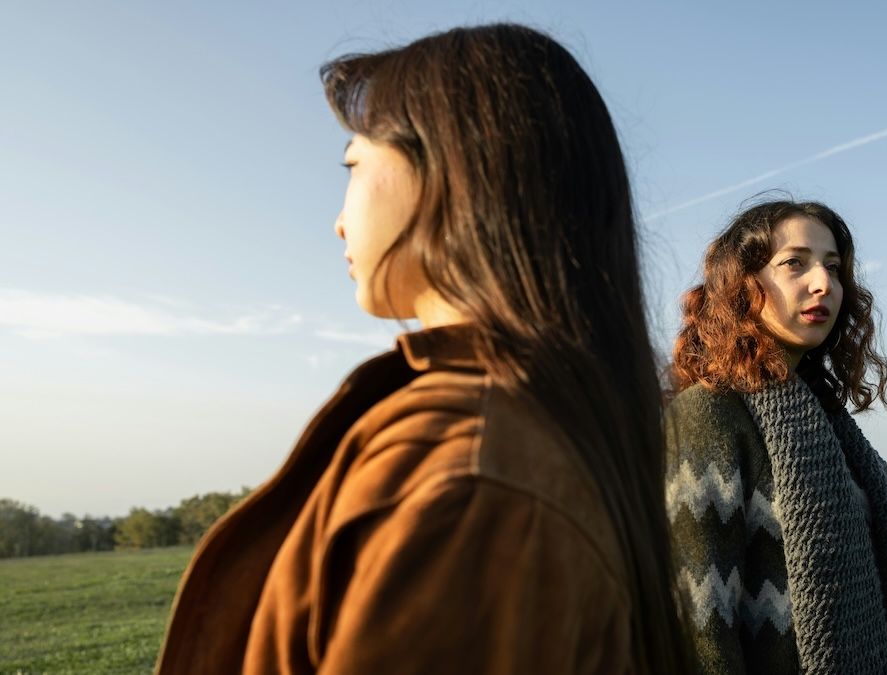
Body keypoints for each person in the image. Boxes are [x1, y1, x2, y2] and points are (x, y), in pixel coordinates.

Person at [156, 24, 694, 675]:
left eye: (353, 165)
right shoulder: (521, 430)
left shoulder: (471, 472)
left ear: (453, 170)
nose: (338, 219)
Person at [667, 199, 887, 673]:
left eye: (833, 269)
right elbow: (699, 626)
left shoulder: (828, 423)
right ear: (742, 283)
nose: (823, 284)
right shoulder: (707, 415)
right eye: (795, 262)